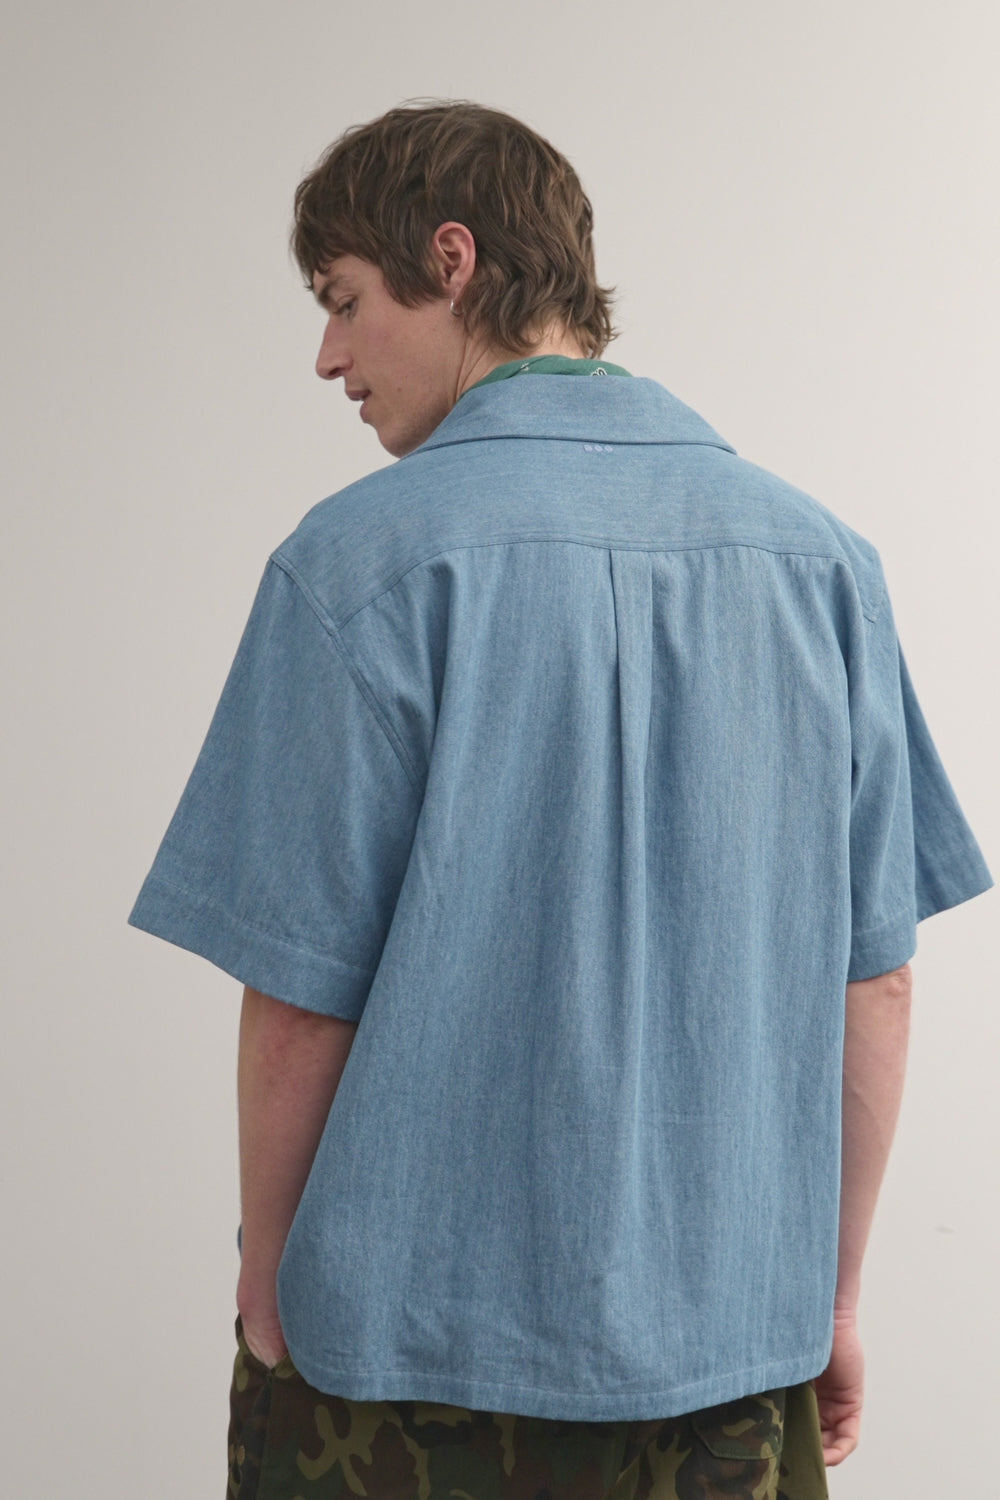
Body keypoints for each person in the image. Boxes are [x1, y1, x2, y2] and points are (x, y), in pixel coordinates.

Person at [128, 101, 992, 1500]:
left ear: (451, 259)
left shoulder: (357, 566)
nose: (329, 357)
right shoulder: (824, 567)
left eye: (343, 302)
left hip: (395, 1379)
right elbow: (875, 981)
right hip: (725, 1371)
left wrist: (270, 1286)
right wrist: (829, 1301)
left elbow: (298, 1004)